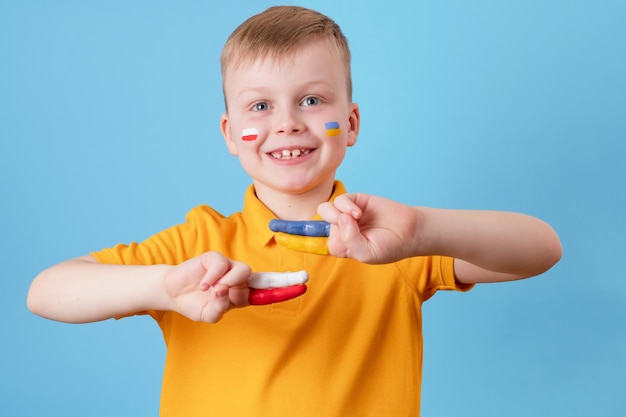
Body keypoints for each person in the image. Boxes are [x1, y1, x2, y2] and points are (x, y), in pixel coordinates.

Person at [27, 5, 562, 417]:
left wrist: (423, 230)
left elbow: (541, 249)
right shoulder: (197, 246)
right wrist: (163, 287)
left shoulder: (394, 243)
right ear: (231, 134)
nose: (287, 123)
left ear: (350, 123)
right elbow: (46, 291)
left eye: (311, 100)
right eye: (260, 105)